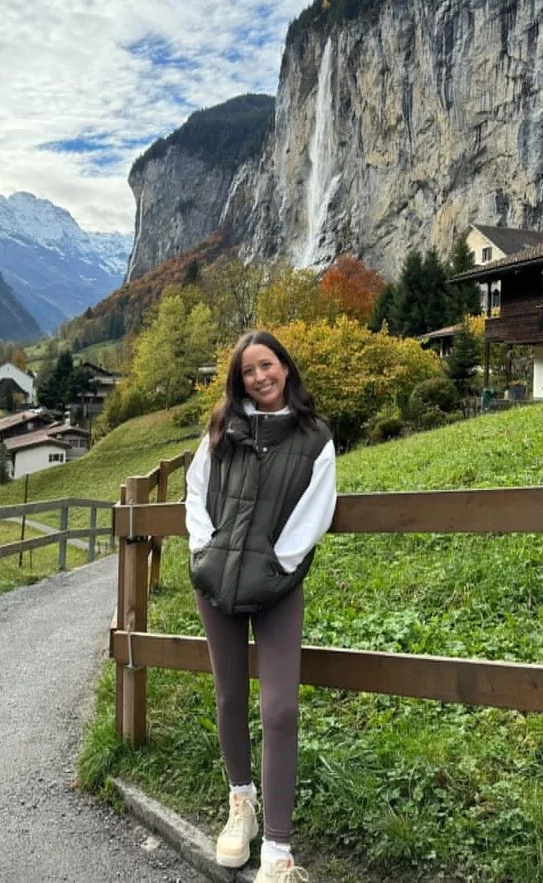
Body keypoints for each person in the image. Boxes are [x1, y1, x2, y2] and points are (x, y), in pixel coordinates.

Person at [185, 330, 336, 882]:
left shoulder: (314, 435)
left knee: (280, 709)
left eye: (267, 365)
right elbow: (195, 492)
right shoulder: (222, 428)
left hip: (276, 586)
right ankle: (240, 807)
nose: (260, 377)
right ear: (239, 378)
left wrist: (275, 568)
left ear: (285, 368)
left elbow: (314, 514)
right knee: (228, 694)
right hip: (217, 583)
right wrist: (204, 551)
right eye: (248, 370)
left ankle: (277, 850)